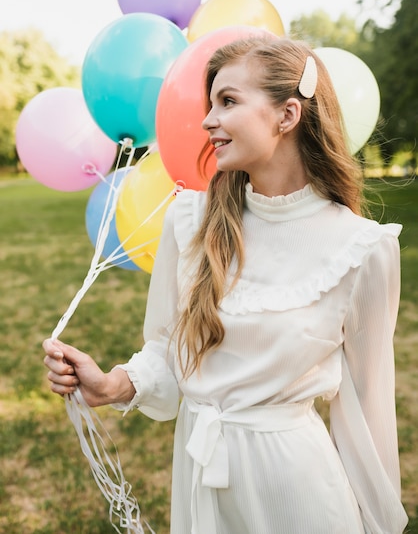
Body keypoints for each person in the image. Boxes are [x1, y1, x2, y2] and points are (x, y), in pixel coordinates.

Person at [43, 35, 408, 534]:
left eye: (228, 101)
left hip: (297, 490)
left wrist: (376, 522)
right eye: (209, 102)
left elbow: (368, 408)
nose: (206, 121)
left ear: (287, 115)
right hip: (201, 482)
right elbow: (169, 350)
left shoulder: (363, 248)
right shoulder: (189, 221)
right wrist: (112, 385)